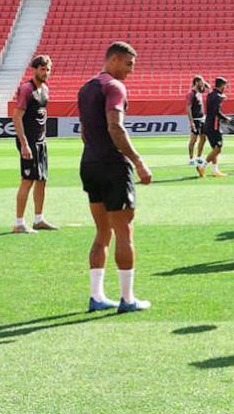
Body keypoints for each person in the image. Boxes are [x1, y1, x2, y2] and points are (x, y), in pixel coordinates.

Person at [78, 42, 154, 313]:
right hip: (113, 165)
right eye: (129, 64)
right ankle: (127, 299)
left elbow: (84, 131)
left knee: (102, 231)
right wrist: (138, 161)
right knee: (124, 231)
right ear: (116, 60)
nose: (131, 71)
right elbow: (115, 126)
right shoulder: (114, 87)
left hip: (89, 162)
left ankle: (97, 296)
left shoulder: (86, 88)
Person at [13, 55, 56, 233]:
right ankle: (19, 223)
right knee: (28, 180)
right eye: (42, 69)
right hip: (28, 142)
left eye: (48, 69)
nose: (45, 73)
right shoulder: (26, 89)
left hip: (41, 142)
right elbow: (16, 117)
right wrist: (24, 144)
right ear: (35, 69)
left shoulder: (45, 89)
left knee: (42, 180)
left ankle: (39, 219)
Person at [203, 77, 230, 177]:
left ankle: (215, 170)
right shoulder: (218, 96)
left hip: (208, 124)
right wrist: (225, 118)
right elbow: (216, 111)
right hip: (214, 126)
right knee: (218, 148)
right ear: (222, 85)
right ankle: (202, 166)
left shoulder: (210, 95)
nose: (225, 88)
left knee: (214, 149)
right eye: (225, 86)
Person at [186, 76, 208, 177]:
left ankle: (199, 156)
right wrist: (191, 122)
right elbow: (188, 108)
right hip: (195, 120)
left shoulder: (200, 92)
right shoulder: (191, 94)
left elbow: (209, 87)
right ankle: (191, 158)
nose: (203, 84)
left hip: (202, 119)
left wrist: (204, 83)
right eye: (201, 82)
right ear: (197, 82)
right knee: (193, 140)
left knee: (203, 139)